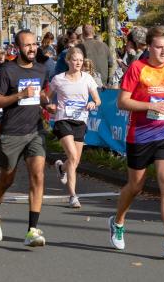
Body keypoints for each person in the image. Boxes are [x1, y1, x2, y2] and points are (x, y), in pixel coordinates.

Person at [110, 25, 164, 258]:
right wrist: (150, 106)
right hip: (140, 135)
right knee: (135, 186)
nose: (163, 52)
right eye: (158, 47)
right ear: (149, 47)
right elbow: (122, 102)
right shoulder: (137, 68)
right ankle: (118, 221)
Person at [0, 29, 49, 247]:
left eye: (34, 44)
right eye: (27, 45)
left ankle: (32, 229)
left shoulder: (41, 70)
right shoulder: (8, 70)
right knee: (7, 179)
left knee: (38, 176)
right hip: (11, 133)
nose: (32, 48)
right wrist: (20, 95)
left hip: (34, 131)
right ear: (17, 48)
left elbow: (40, 95)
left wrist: (46, 102)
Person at [47, 47, 101, 208]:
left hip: (80, 121)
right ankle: (73, 196)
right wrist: (49, 105)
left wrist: (93, 102)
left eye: (80, 60)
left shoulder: (87, 78)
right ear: (68, 61)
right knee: (72, 155)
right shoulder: (58, 79)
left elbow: (98, 100)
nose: (78, 63)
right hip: (63, 120)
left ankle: (61, 168)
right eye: (75, 60)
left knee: (75, 160)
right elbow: (47, 97)